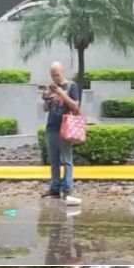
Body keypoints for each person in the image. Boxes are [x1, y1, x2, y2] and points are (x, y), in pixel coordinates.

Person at [42, 61, 83, 205]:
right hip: (52, 126)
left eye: (57, 75)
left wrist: (60, 93)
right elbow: (45, 109)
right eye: (53, 75)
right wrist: (48, 97)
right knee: (53, 160)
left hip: (66, 126)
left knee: (66, 160)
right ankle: (54, 187)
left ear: (63, 72)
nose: (55, 78)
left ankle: (67, 188)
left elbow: (75, 106)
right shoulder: (51, 87)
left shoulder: (71, 86)